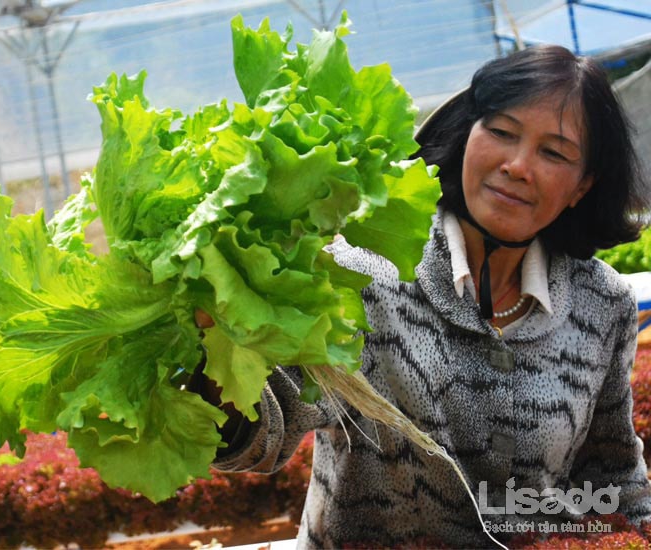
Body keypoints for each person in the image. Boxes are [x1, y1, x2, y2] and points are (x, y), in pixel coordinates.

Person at [201, 44, 651, 548]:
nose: (518, 165)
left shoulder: (601, 302)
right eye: (501, 132)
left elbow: (611, 477)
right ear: (466, 137)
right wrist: (211, 347)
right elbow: (264, 428)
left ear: (582, 185)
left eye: (554, 153)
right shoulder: (365, 273)